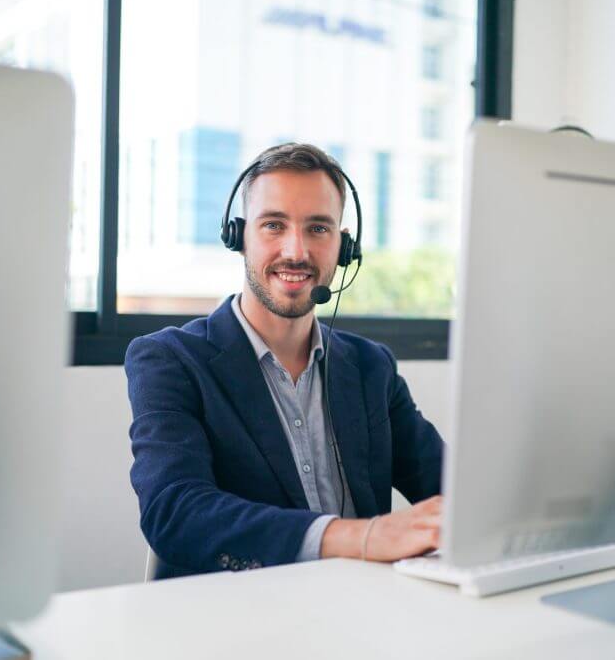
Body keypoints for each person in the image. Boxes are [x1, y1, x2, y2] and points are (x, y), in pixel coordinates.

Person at [126, 143, 444, 579]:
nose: (296, 251)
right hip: (238, 625)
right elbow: (176, 512)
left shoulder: (372, 368)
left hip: (363, 616)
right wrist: (360, 537)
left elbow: (448, 487)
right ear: (238, 238)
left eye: (318, 228)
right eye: (274, 225)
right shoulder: (171, 360)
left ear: (344, 247)